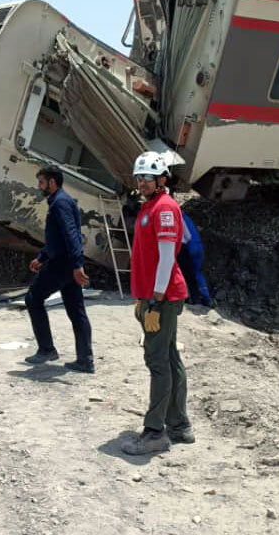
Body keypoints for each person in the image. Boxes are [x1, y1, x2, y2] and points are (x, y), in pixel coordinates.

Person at [121, 151, 195, 456]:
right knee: (169, 357)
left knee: (158, 362)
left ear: (162, 179)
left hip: (161, 297)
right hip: (156, 294)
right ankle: (179, 426)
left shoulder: (164, 208)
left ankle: (155, 433)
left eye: (148, 178)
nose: (142, 183)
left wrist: (156, 296)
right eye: (139, 178)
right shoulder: (151, 206)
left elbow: (167, 255)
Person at [23, 165, 94, 373]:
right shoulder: (62, 200)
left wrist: (77, 265)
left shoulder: (60, 204)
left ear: (52, 182)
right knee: (76, 310)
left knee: (33, 298)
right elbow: (58, 238)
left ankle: (46, 349)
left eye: (42, 182)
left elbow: (71, 235)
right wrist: (42, 257)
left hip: (62, 265)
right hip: (66, 263)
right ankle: (85, 360)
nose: (39, 186)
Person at [177, 211, 212, 307]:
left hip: (185, 246)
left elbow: (187, 236)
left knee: (182, 273)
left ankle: (186, 297)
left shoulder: (175, 215)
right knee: (196, 272)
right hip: (198, 245)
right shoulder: (185, 217)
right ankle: (205, 298)